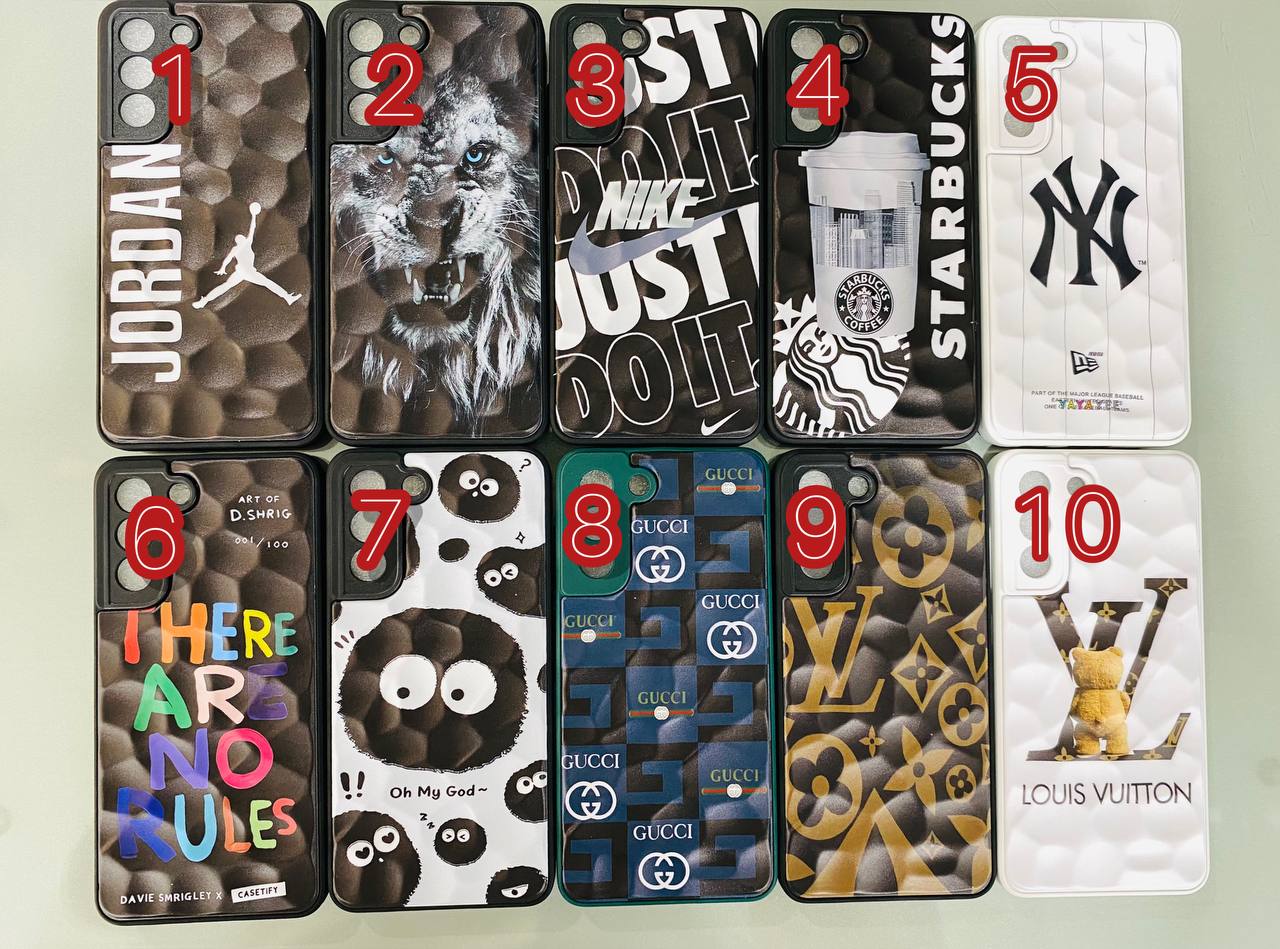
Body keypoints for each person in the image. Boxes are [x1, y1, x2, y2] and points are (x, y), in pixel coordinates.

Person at [192, 201, 301, 309]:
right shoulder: (245, 245)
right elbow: (251, 230)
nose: (244, 238)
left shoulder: (236, 248)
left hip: (240, 272)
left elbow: (228, 259)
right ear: (240, 240)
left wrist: (223, 268)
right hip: (248, 272)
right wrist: (254, 216)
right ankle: (287, 297)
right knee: (267, 283)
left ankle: (204, 301)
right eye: (242, 237)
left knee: (225, 286)